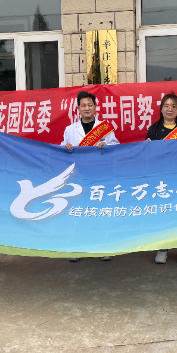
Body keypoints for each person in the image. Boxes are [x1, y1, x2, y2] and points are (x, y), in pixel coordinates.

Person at [61, 90, 120, 262]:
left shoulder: (105, 128)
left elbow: (116, 146)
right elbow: (62, 148)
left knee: (99, 209)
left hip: (100, 174)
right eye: (83, 105)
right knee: (78, 210)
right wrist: (66, 146)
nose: (86, 108)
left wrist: (106, 144)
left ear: (95, 107)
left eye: (89, 105)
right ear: (78, 108)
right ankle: (77, 247)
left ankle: (103, 246)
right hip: (78, 175)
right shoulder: (70, 129)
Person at [145, 93, 177, 265]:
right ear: (161, 109)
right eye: (166, 106)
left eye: (173, 106)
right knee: (164, 213)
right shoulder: (153, 129)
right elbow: (147, 155)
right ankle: (163, 247)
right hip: (161, 179)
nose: (170, 109)